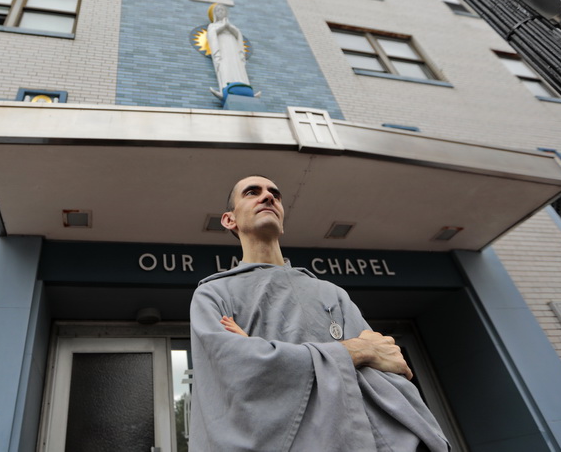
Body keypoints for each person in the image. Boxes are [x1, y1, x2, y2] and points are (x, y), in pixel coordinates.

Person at [188, 175, 449, 451]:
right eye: (252, 192)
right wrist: (354, 352)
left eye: (275, 194)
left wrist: (271, 353)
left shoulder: (331, 292)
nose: (268, 197)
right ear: (230, 220)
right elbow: (240, 369)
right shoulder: (213, 294)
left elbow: (388, 368)